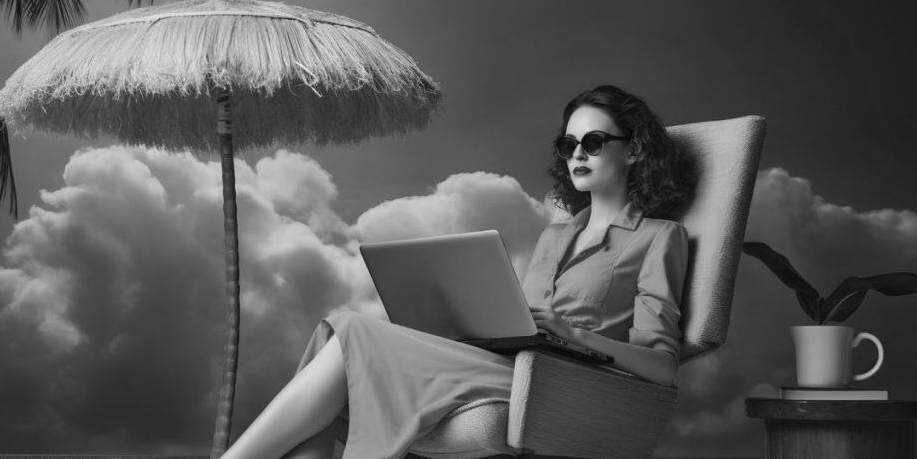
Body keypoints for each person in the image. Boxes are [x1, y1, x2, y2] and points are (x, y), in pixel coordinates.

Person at [221, 84, 693, 459]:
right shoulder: (555, 236)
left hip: (561, 383)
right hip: (507, 364)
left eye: (593, 142)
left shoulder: (659, 237)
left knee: (348, 330)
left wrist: (575, 334)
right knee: (338, 341)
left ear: (633, 151)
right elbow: (521, 322)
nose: (577, 155)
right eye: (568, 144)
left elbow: (663, 365)